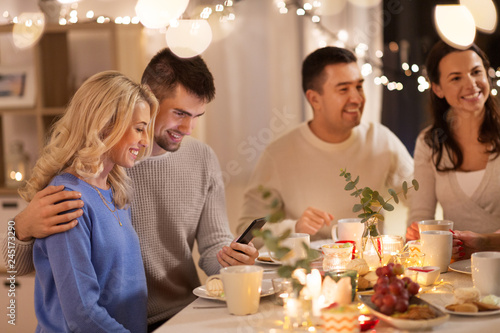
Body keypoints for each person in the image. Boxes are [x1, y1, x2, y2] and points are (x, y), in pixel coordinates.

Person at [3, 49, 259, 331]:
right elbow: (68, 302)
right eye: (180, 114)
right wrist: (21, 228)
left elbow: (213, 246)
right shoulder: (95, 178)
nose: (188, 128)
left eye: (197, 116)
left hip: (176, 314)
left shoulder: (115, 182)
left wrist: (232, 262)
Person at [19, 71, 158, 332]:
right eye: (139, 129)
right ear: (105, 124)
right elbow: (82, 315)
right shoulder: (67, 198)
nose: (145, 141)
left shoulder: (115, 189)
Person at [237, 46, 414, 242]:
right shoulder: (279, 154)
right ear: (314, 99)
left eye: (359, 86)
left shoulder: (380, 139)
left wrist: (414, 237)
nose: (356, 98)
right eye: (344, 89)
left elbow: (418, 196)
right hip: (307, 269)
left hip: (369, 267)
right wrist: (294, 228)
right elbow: (246, 231)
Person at [405, 41, 500, 250]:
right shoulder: (429, 143)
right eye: (456, 78)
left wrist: (483, 242)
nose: (471, 84)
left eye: (476, 72)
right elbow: (421, 216)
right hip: (454, 272)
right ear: (438, 89)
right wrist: (416, 233)